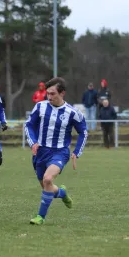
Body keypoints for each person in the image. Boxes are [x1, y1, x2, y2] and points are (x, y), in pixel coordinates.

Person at [24, 77, 88, 225]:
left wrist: (76, 152)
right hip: (40, 152)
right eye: (48, 93)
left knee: (47, 179)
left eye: (53, 94)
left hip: (60, 152)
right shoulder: (40, 107)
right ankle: (62, 193)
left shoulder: (73, 113)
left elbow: (83, 132)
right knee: (47, 187)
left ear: (62, 93)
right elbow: (29, 125)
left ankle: (40, 217)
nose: (49, 97)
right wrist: (33, 143)